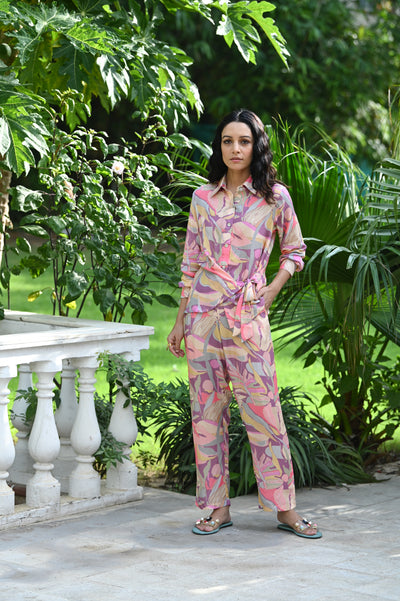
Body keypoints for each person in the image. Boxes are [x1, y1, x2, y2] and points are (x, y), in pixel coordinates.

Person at [167, 109, 321, 539]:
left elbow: (294, 251)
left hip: (248, 316)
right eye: (227, 141)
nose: (235, 149)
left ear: (257, 146)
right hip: (202, 318)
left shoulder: (275, 198)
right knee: (207, 415)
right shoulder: (202, 198)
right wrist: (180, 322)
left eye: (244, 141)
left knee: (265, 413)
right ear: (219, 147)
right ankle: (217, 507)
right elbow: (190, 264)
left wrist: (271, 290)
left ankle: (285, 509)